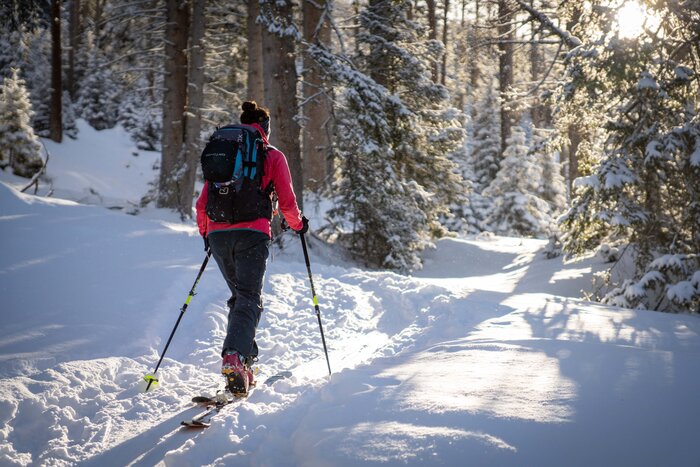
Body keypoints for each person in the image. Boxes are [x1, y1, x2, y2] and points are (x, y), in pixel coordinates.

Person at [196, 101, 308, 396]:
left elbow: (202, 203)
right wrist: (298, 225)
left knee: (241, 297)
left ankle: (244, 364)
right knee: (248, 297)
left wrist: (208, 235)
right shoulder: (270, 155)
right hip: (252, 234)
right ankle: (234, 356)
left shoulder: (225, 152)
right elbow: (286, 203)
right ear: (265, 128)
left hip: (218, 235)